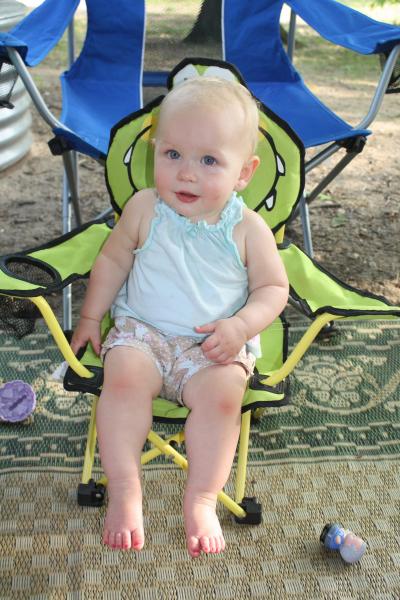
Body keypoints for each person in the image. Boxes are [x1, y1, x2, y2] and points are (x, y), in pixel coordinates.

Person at [71, 76, 289, 558]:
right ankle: (126, 487)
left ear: (244, 173)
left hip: (212, 347)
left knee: (222, 401)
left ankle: (203, 497)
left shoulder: (248, 228)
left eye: (209, 160)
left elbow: (274, 289)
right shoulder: (144, 207)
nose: (186, 174)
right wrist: (91, 316)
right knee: (121, 383)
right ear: (156, 150)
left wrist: (241, 327)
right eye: (173, 155)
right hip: (142, 335)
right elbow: (112, 261)